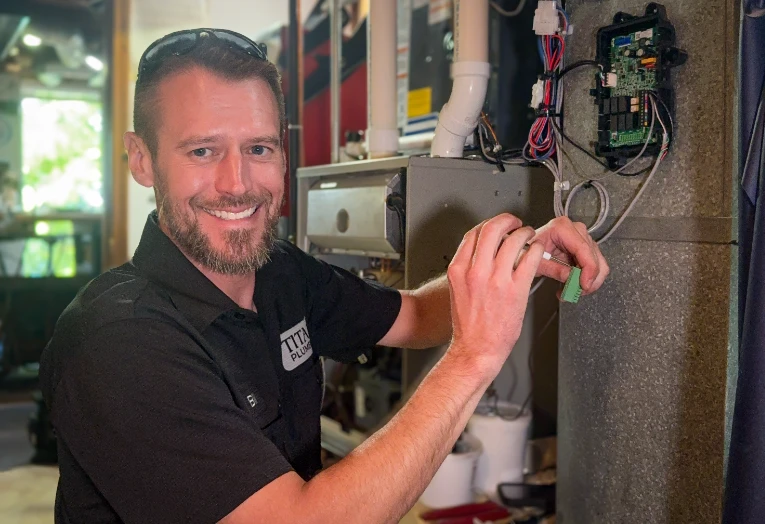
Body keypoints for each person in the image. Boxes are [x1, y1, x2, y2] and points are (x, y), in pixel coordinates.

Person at [39, 28, 609, 524]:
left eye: (258, 147)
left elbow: (417, 315)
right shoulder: (115, 344)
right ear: (141, 160)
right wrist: (474, 361)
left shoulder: (280, 271)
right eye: (203, 151)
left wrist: (520, 255)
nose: (237, 183)